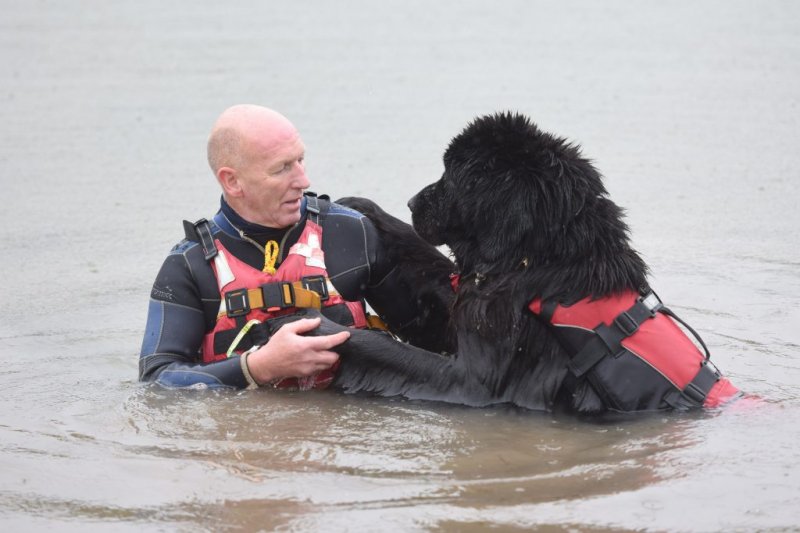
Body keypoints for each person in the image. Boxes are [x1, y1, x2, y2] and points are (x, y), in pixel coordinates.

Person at [139, 105, 414, 389]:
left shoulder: (352, 232)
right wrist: (258, 367)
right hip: (246, 431)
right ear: (232, 181)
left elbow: (435, 344)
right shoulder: (188, 265)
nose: (303, 181)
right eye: (282, 168)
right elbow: (155, 382)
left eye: (300, 160)